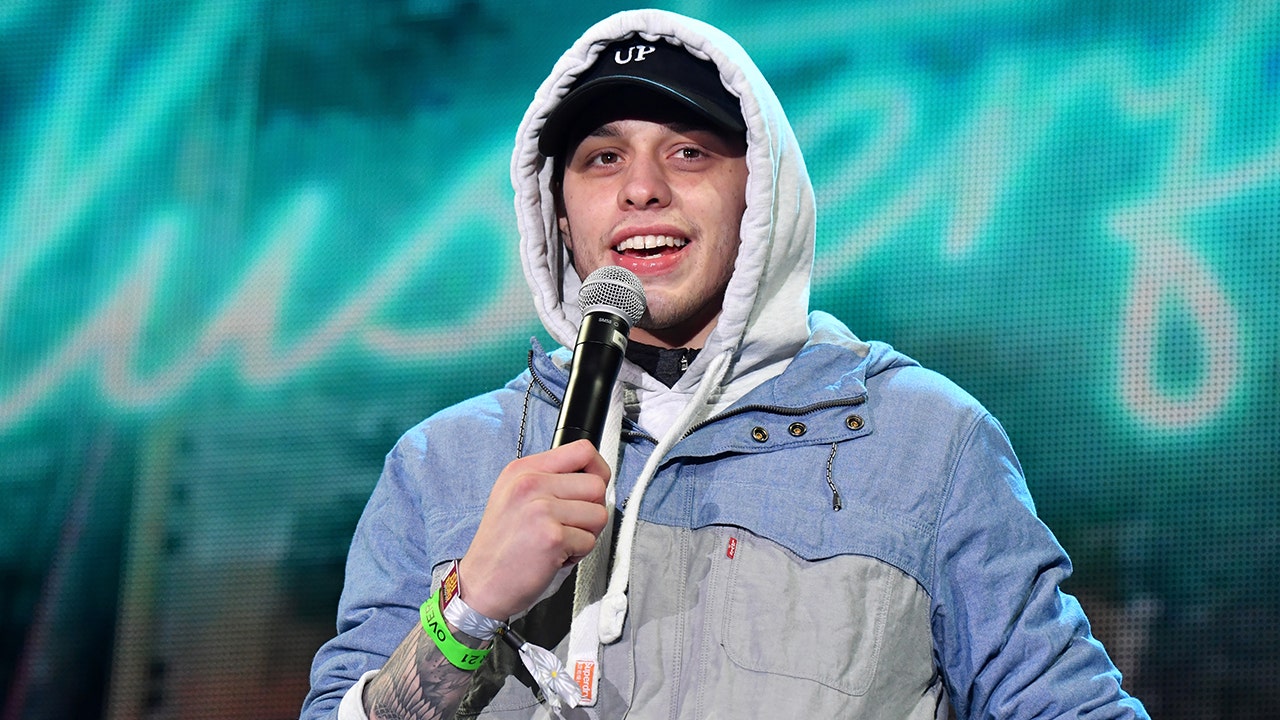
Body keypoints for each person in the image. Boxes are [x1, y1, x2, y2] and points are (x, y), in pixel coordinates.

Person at [301, 9, 1149, 719]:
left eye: (689, 152)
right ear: (557, 213)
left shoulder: (925, 442)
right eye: (603, 158)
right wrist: (467, 612)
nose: (641, 189)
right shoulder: (442, 464)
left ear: (762, 197)